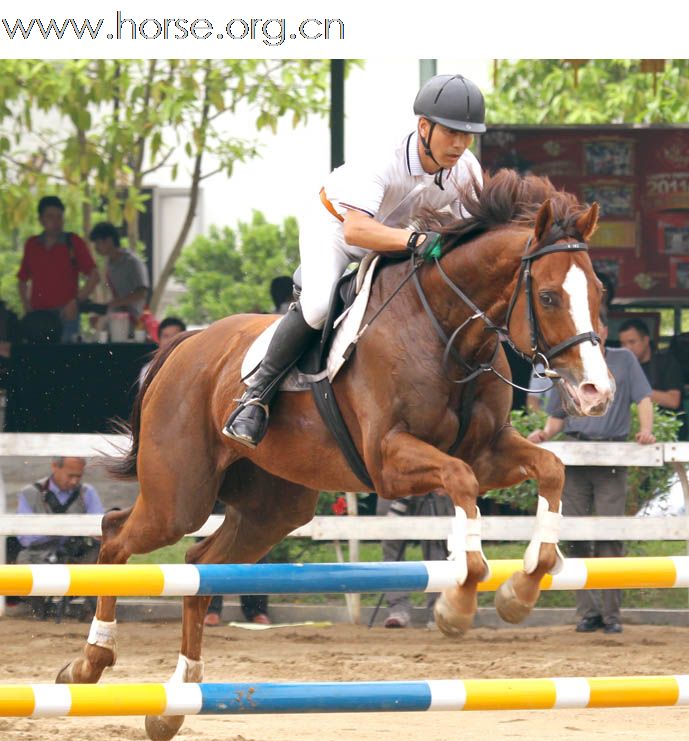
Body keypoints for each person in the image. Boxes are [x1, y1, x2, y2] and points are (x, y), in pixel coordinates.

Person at [223, 73, 486, 447]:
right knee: (317, 305)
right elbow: (357, 232)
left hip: (398, 238)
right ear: (424, 127)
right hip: (336, 229)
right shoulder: (383, 156)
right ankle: (255, 397)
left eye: (467, 135)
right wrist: (416, 240)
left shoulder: (467, 170)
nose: (460, 144)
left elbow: (467, 236)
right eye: (451, 133)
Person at [528, 309, 655, 635]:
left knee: (610, 536)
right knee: (574, 535)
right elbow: (558, 414)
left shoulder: (624, 359)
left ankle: (612, 615)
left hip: (612, 456)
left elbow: (643, 397)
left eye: (594, 325)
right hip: (575, 455)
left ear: (603, 328)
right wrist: (545, 434)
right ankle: (587, 612)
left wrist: (646, 431)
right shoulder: (569, 363)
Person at [16, 456, 104, 619]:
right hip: (41, 554)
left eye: (78, 476)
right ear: (55, 467)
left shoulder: (87, 492)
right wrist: (56, 530)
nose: (74, 481)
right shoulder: (30, 493)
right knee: (23, 560)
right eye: (70, 475)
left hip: (77, 554)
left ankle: (92, 611)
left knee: (102, 554)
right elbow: (24, 537)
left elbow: (99, 529)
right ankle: (39, 609)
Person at [17, 196, 101, 343]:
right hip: (38, 317)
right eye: (50, 216)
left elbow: (94, 276)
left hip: (66, 315)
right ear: (41, 219)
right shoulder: (32, 244)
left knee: (64, 361)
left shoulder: (73, 242)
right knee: (39, 360)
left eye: (59, 216)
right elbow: (22, 279)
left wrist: (76, 302)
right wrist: (26, 307)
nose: (56, 221)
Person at [376, 492, 454, 628]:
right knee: (390, 541)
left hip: (433, 481)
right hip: (395, 480)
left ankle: (438, 611)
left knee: (436, 546)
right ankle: (397, 608)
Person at [617, 318, 683, 413]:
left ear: (646, 340)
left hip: (664, 424)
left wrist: (636, 389)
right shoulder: (621, 366)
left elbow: (673, 401)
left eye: (632, 342)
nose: (627, 348)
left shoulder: (667, 362)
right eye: (623, 344)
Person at [88, 222, 149, 324]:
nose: (96, 248)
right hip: (118, 315)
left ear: (109, 240)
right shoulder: (109, 263)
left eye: (98, 243)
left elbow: (141, 293)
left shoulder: (132, 262)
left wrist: (114, 303)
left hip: (134, 318)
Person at [138, 316, 187, 388]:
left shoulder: (193, 367)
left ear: (185, 339)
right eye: (166, 336)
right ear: (159, 341)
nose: (171, 340)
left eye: (175, 336)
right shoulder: (149, 370)